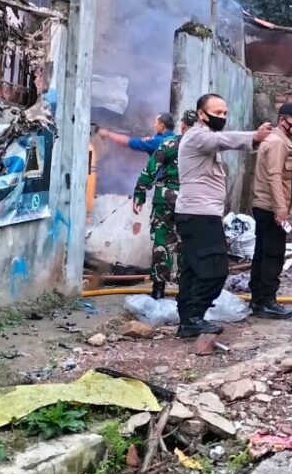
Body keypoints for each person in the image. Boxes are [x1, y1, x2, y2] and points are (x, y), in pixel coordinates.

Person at [174, 95, 271, 338]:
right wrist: (254, 137)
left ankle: (188, 320)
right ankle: (194, 316)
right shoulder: (198, 135)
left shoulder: (203, 138)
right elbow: (222, 140)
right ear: (201, 114)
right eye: (217, 112)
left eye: (225, 113)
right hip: (199, 215)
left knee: (192, 269)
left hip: (197, 213)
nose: (223, 117)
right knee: (215, 269)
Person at [250, 102, 292, 319]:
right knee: (273, 256)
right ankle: (267, 302)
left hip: (266, 206)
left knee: (262, 254)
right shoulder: (278, 143)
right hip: (271, 208)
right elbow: (275, 177)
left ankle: (258, 300)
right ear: (284, 120)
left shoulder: (279, 140)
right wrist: (281, 210)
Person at [133, 110, 196, 300]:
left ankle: (158, 290)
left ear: (183, 126)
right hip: (192, 201)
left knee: (162, 242)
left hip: (166, 198)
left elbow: (150, 169)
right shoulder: (203, 147)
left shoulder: (170, 143)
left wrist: (140, 194)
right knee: (188, 244)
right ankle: (185, 290)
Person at [96, 113, 175, 154]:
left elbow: (129, 142)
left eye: (156, 123)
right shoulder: (176, 139)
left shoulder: (158, 141)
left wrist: (107, 134)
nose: (154, 125)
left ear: (162, 126)